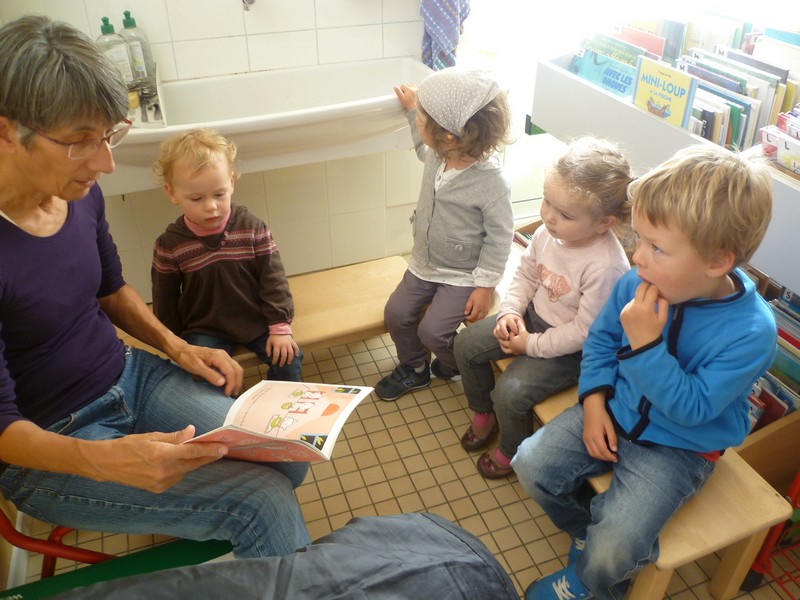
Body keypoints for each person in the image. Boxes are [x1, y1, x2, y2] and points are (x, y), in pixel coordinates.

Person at [0, 15, 310, 560]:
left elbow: (111, 290)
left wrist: (178, 346)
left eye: (108, 136)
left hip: (128, 376)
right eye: (80, 142)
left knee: (285, 454)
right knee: (261, 500)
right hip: (51, 436)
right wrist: (107, 459)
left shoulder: (78, 194)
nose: (105, 162)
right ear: (6, 131)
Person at [513, 144, 777, 600]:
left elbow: (692, 409)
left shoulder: (752, 332)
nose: (637, 257)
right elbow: (600, 343)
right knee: (530, 464)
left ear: (717, 261)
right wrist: (594, 403)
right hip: (615, 409)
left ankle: (594, 581)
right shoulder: (638, 281)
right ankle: (586, 534)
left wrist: (646, 345)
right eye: (638, 239)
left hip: (680, 447)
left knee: (615, 546)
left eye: (656, 248)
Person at [454, 137, 633, 479]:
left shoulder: (606, 266)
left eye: (565, 214)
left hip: (572, 350)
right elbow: (526, 275)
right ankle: (483, 411)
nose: (549, 217)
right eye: (547, 201)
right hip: (532, 318)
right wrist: (510, 311)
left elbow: (584, 333)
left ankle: (511, 449)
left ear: (604, 223)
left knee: (511, 393)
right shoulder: (548, 233)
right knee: (466, 344)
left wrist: (530, 345)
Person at [376, 67, 514, 402]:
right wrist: (413, 109)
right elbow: (421, 144)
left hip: (463, 274)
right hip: (424, 261)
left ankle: (458, 363)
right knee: (396, 314)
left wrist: (485, 287)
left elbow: (500, 237)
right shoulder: (439, 154)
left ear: (449, 137)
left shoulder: (491, 182)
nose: (418, 120)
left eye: (422, 117)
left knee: (434, 332)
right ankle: (415, 368)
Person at [151, 129, 302, 381]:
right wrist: (175, 344)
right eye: (196, 198)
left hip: (255, 319)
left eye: (219, 194)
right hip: (205, 327)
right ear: (172, 193)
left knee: (289, 359)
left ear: (231, 182)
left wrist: (279, 327)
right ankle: (226, 406)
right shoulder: (170, 245)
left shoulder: (252, 228)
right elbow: (164, 299)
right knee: (205, 377)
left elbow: (273, 279)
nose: (211, 206)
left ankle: (277, 402)